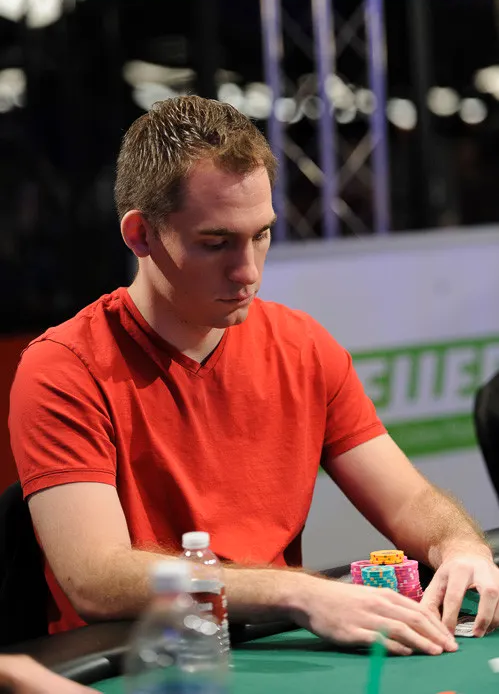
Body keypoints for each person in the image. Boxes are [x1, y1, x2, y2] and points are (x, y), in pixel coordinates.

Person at [8, 96, 499, 657]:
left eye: (261, 234)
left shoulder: (303, 346)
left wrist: (460, 545)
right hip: (132, 664)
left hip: (269, 648)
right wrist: (297, 591)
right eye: (216, 243)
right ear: (141, 235)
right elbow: (96, 578)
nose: (248, 272)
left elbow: (409, 503)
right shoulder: (64, 368)